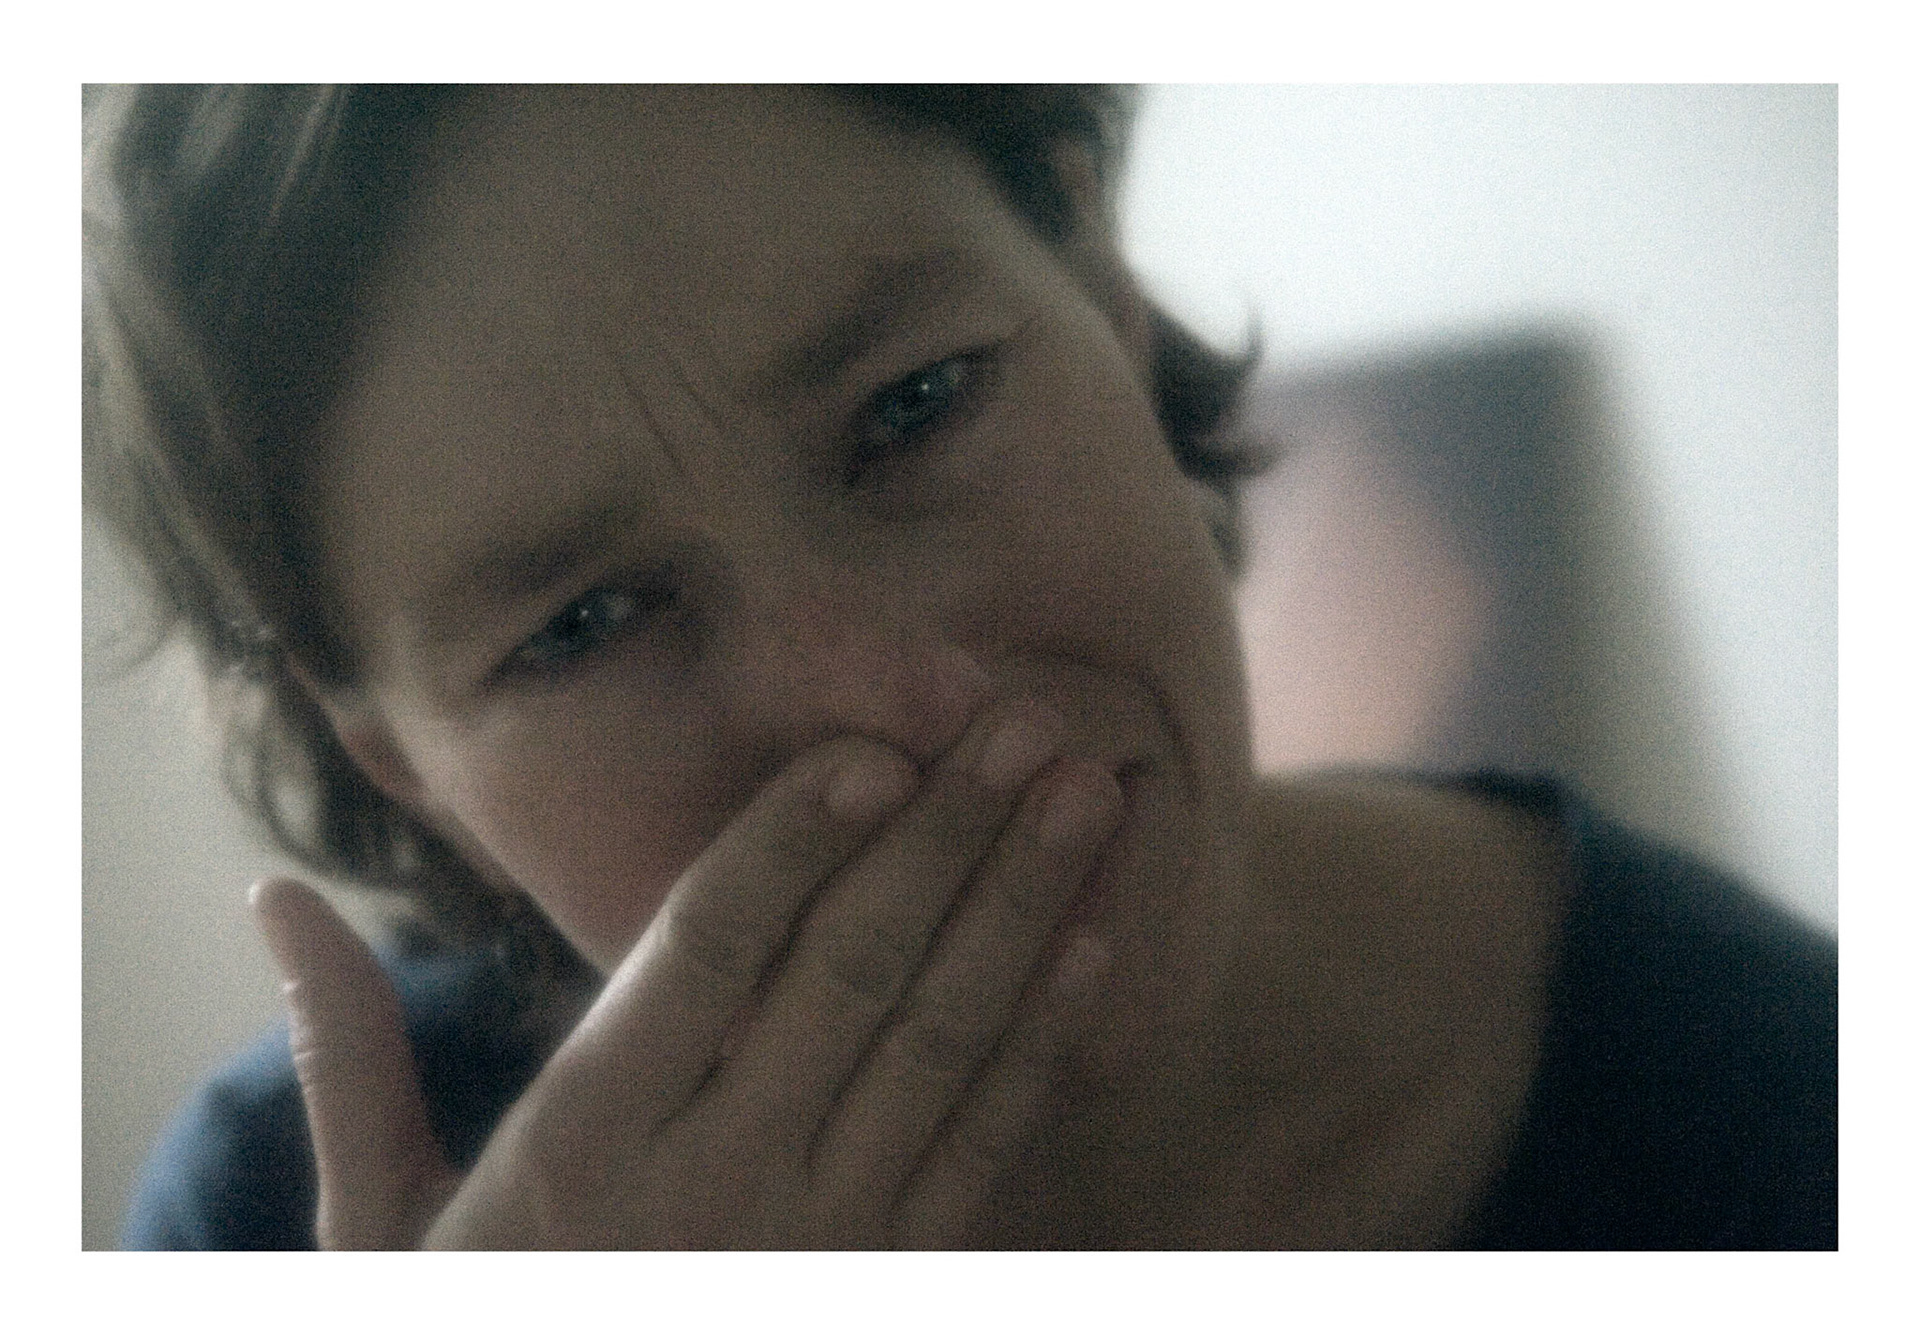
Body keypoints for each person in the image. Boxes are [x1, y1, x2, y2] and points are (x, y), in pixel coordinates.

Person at [84, 84, 1836, 1249]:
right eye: (584, 625)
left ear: (1099, 284)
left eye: (913, 407)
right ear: (398, 765)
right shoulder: (287, 1231)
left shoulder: (1793, 1130)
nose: (891, 710)